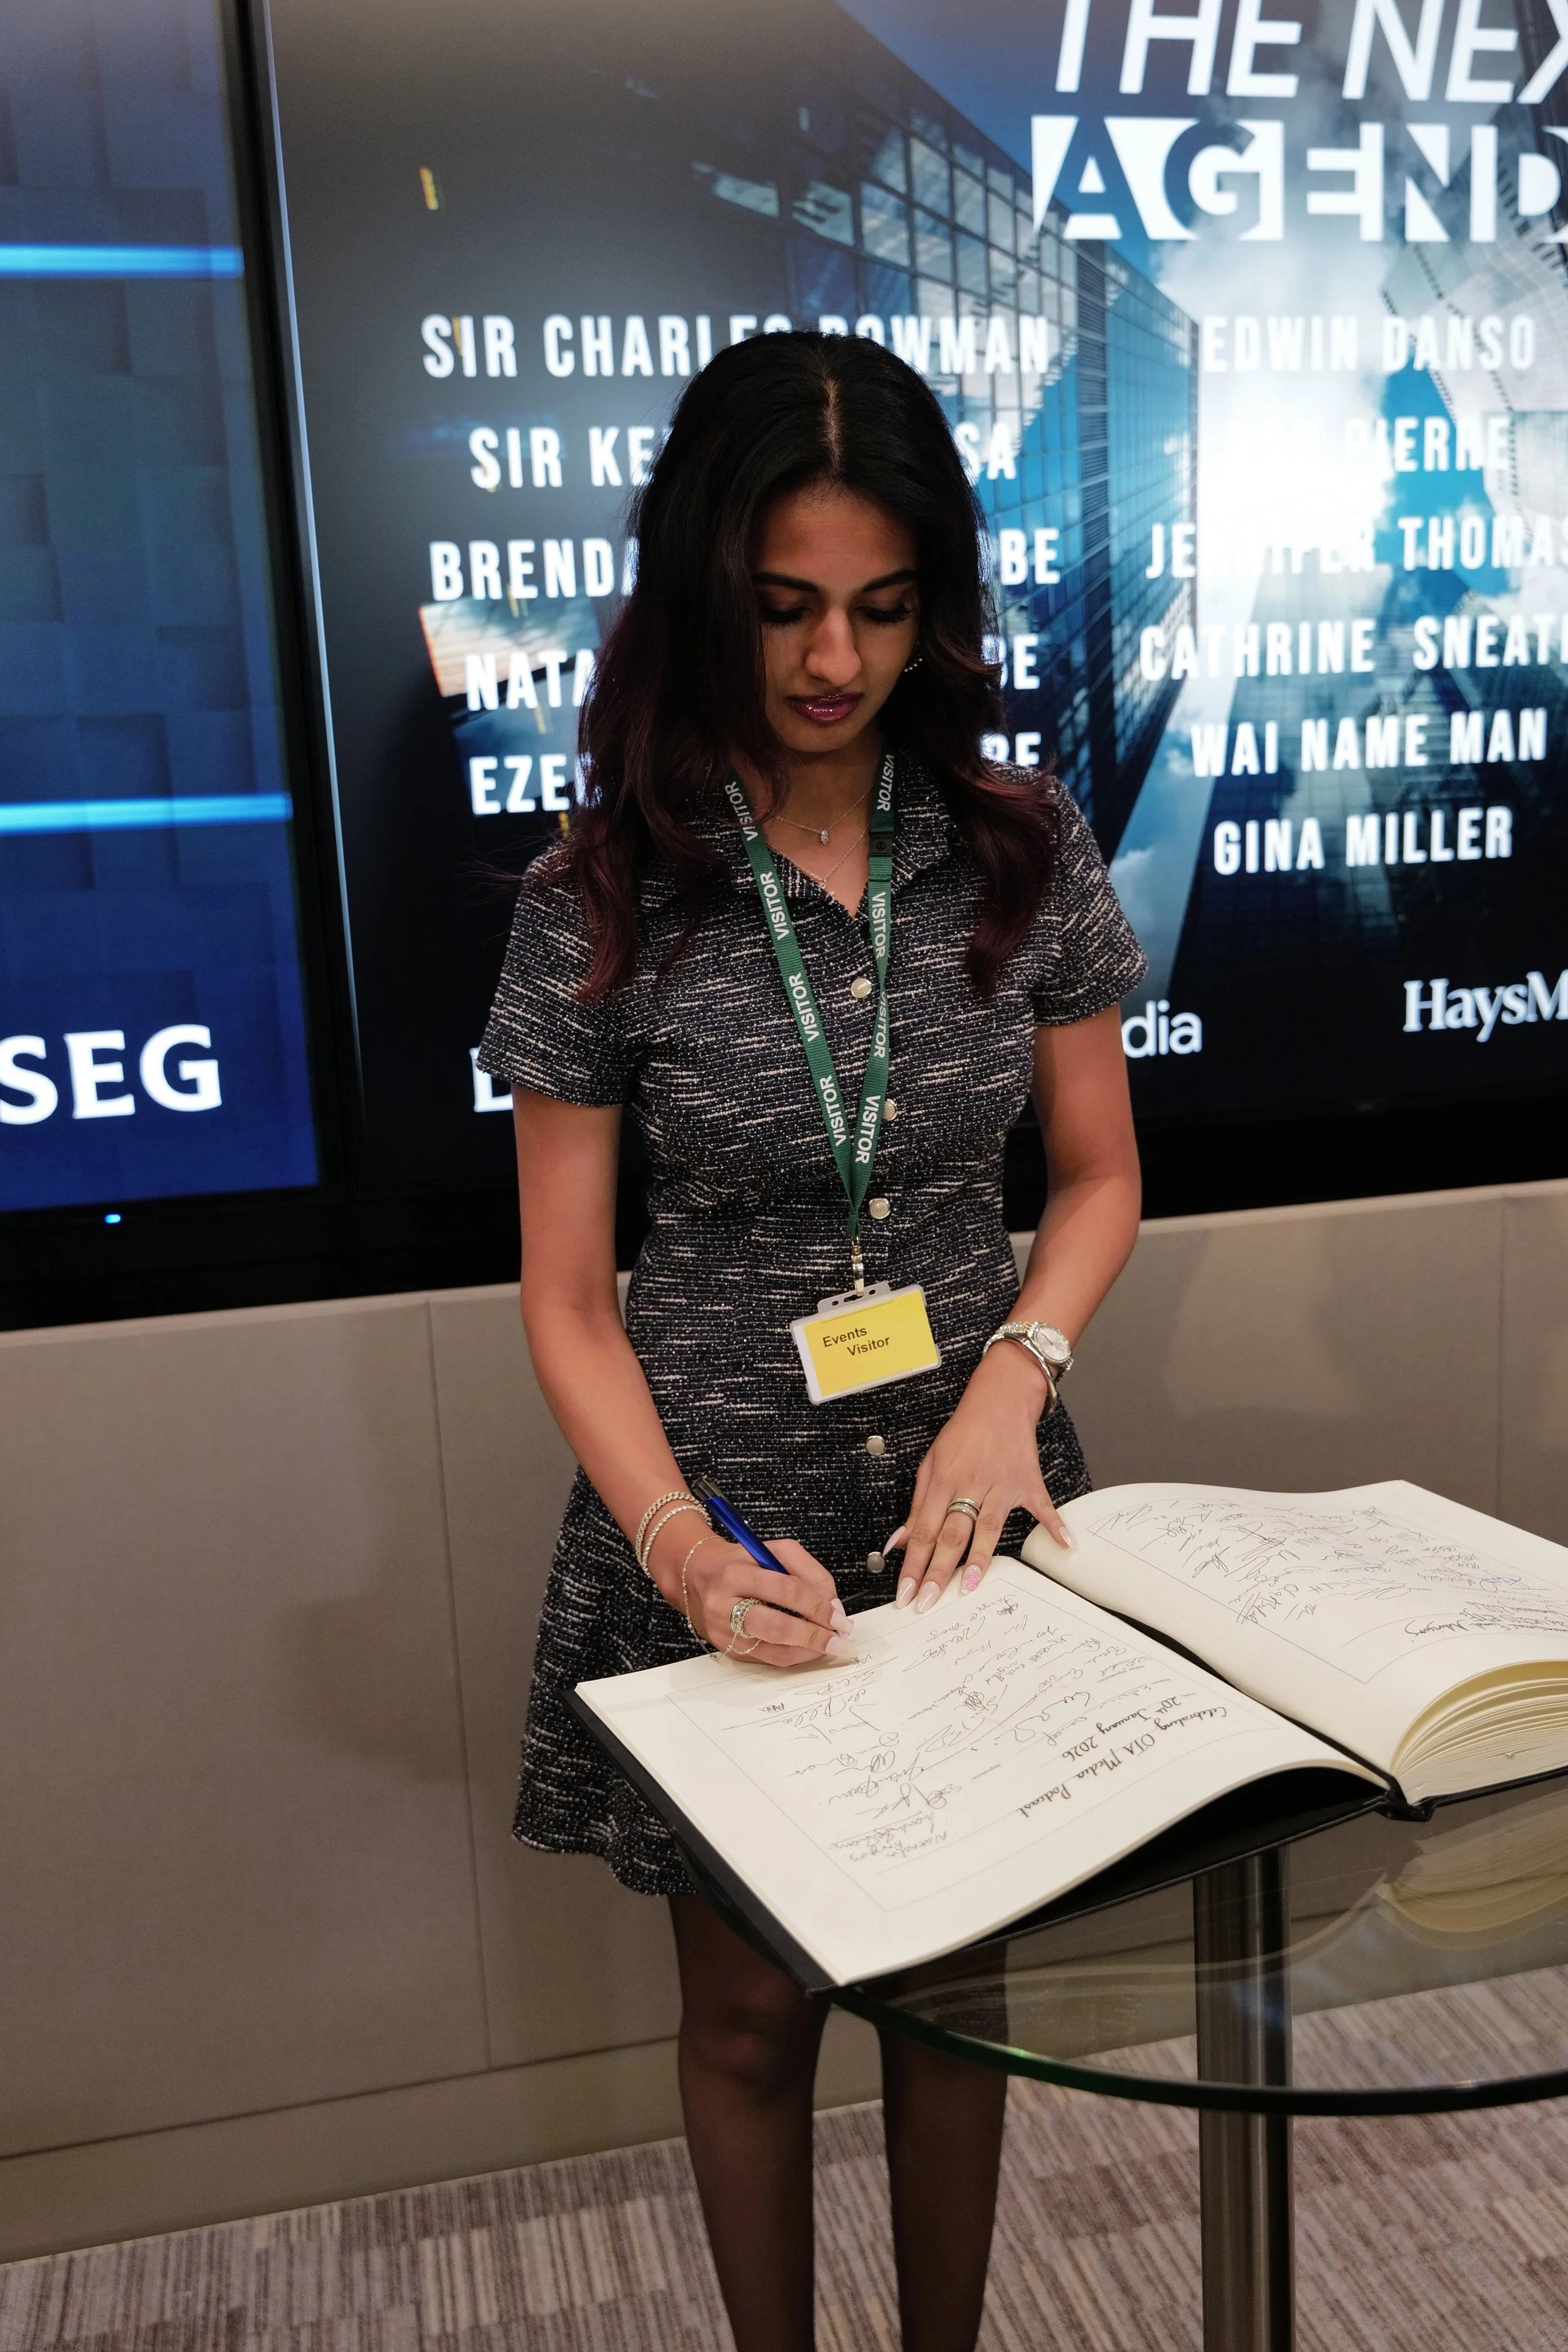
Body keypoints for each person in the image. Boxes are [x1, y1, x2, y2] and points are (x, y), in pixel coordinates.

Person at [477, 330, 1146, 2352]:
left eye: (875, 607)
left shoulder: (1018, 851)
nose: (831, 659)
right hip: (717, 1515)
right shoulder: (600, 895)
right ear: (707, 592)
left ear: (932, 602)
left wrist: (1010, 1384)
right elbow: (566, 1295)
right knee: (754, 2011)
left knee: (958, 1995)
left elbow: (1100, 1182)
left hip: (977, 1506)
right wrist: (675, 1543)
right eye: (783, 610)